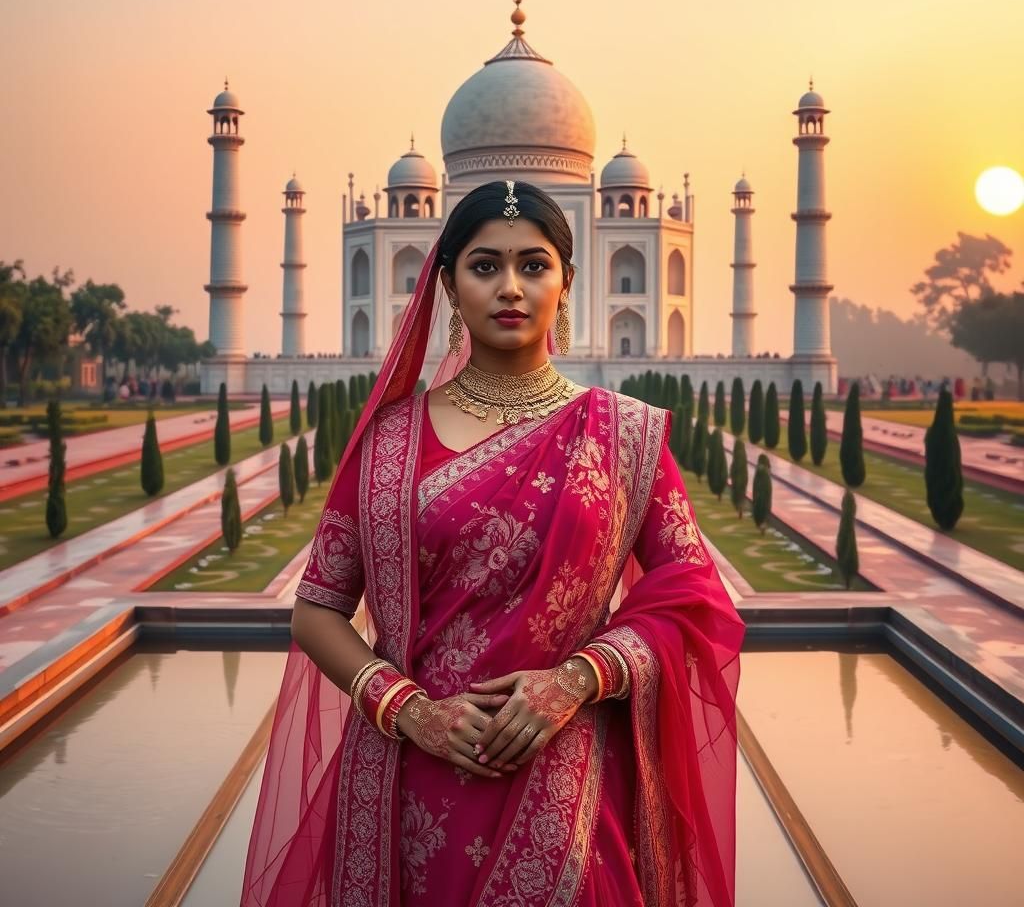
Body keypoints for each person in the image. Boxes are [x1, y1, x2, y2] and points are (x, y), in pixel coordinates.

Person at [240, 180, 745, 906]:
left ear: (567, 281)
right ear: (446, 282)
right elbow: (317, 609)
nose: (510, 287)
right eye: (484, 266)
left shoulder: (625, 434)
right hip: (409, 779)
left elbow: (696, 597)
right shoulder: (390, 440)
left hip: (566, 777)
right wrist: (410, 709)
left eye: (533, 265)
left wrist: (574, 680)